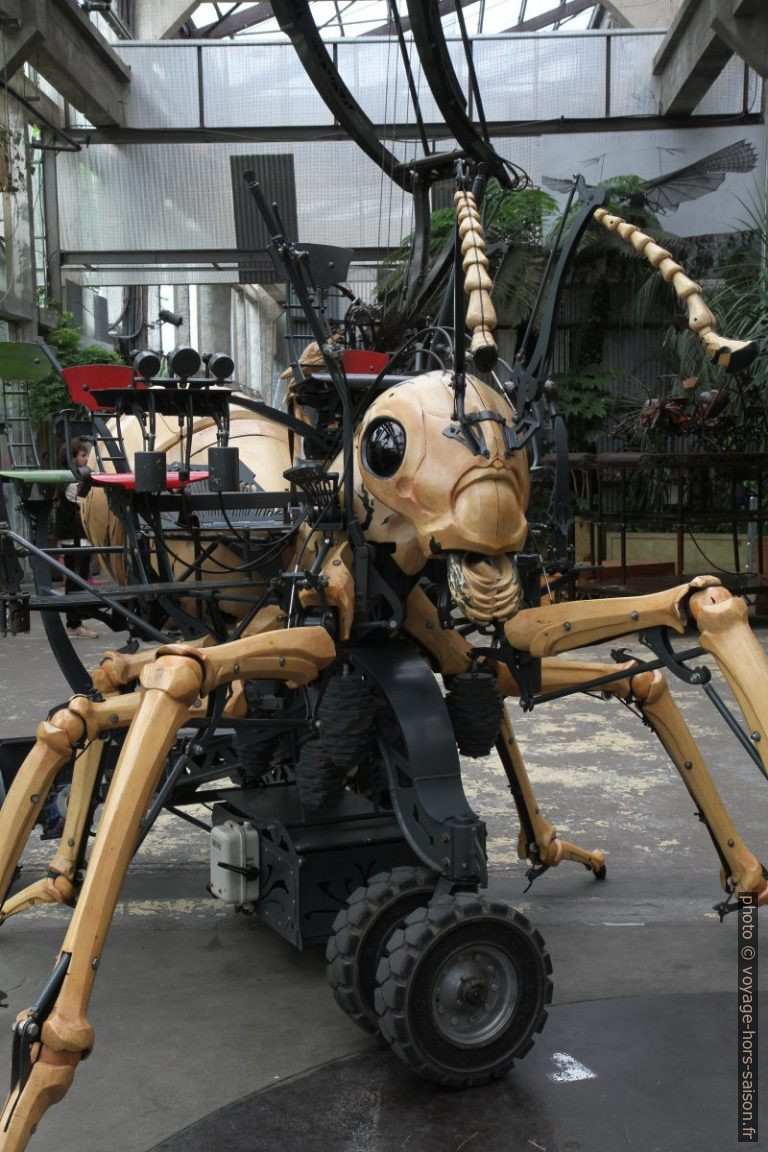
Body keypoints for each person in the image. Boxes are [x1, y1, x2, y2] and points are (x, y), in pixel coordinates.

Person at [55, 437, 99, 639]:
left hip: (76, 536)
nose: (86, 458)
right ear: (73, 458)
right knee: (75, 579)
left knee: (77, 578)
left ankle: (75, 622)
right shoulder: (71, 481)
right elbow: (84, 501)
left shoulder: (72, 478)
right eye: (83, 455)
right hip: (75, 536)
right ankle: (73, 624)